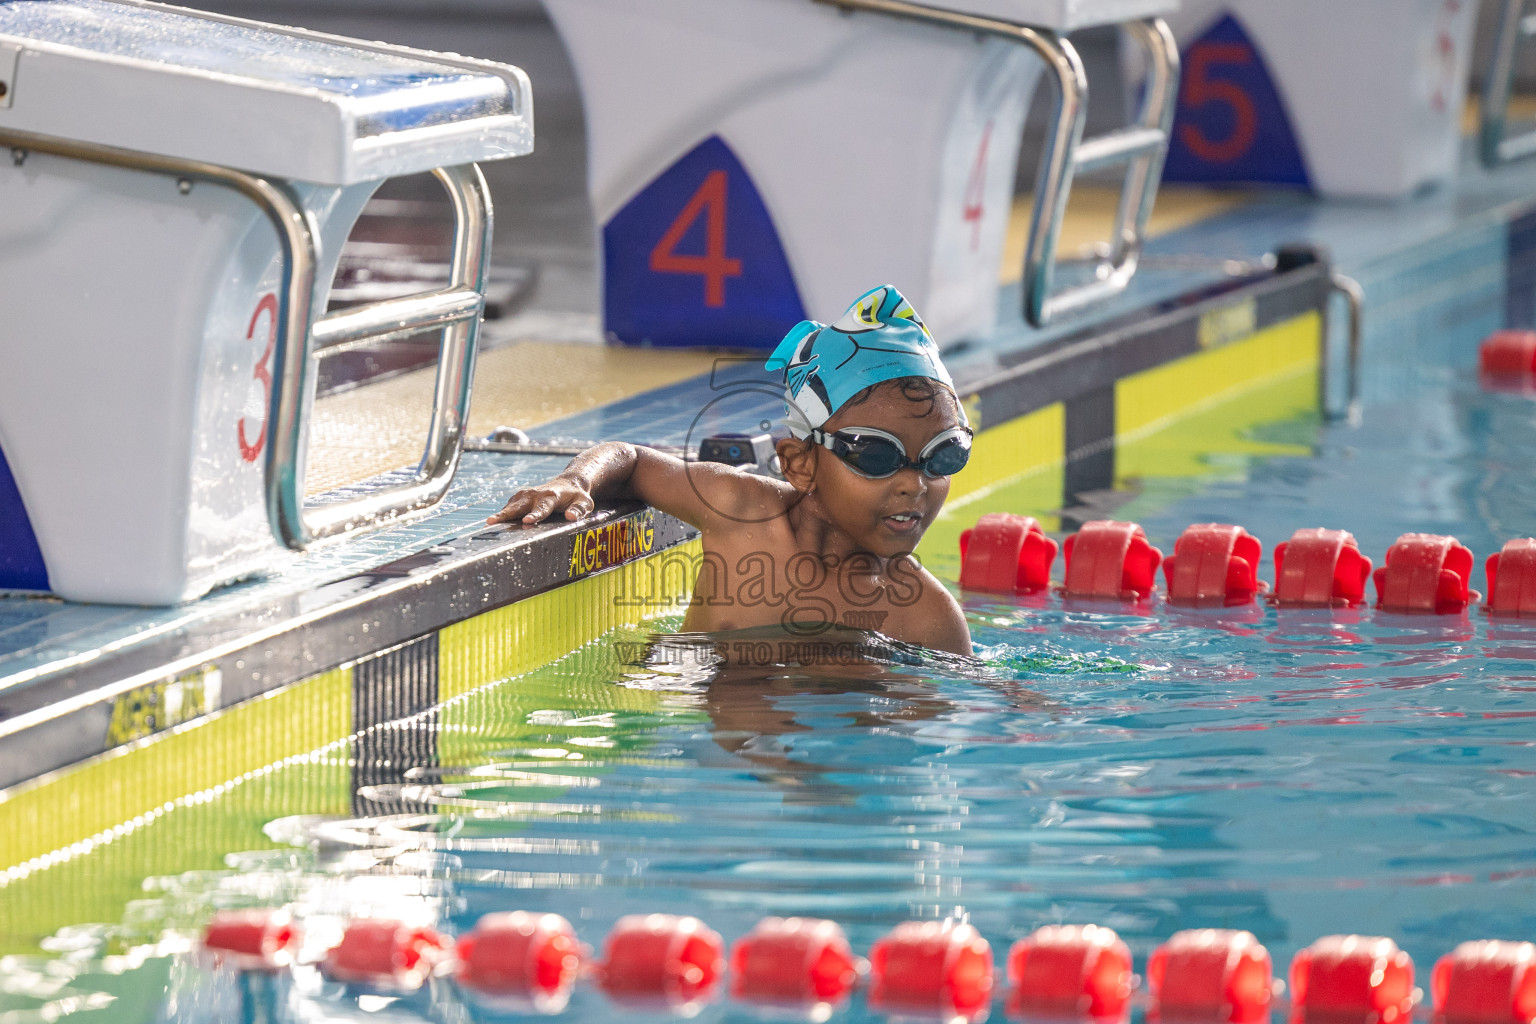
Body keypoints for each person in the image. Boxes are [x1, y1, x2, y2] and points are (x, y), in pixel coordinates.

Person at [487, 285, 974, 656]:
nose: (915, 484)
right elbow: (631, 459)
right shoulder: (742, 510)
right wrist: (576, 480)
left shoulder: (925, 617)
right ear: (800, 464)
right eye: (876, 455)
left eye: (943, 455)